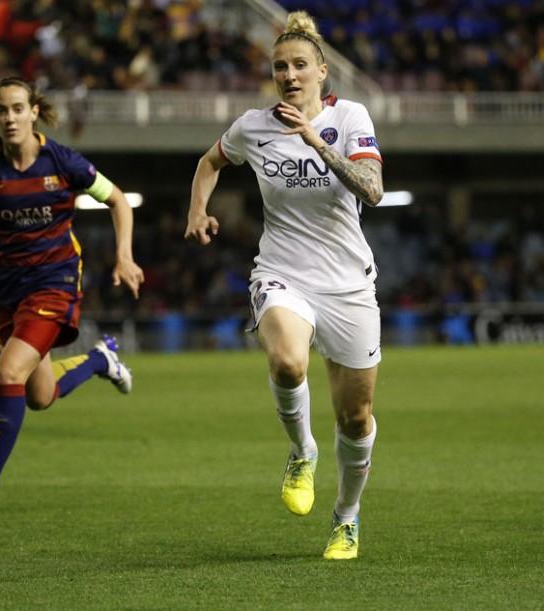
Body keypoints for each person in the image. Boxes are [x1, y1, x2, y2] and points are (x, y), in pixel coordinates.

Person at [185, 11, 384, 560]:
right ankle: (302, 452)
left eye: (300, 65)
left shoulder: (351, 119)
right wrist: (198, 210)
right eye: (280, 67)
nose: (290, 75)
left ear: (322, 71)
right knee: (288, 362)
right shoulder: (253, 126)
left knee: (356, 416)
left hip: (347, 285)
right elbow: (209, 161)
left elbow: (372, 191)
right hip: (283, 273)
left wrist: (318, 143)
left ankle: (346, 518)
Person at [0, 76, 144, 522]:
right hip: (6, 287)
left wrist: (123, 257)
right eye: (1, 110)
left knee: (8, 371)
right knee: (39, 396)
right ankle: (100, 361)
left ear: (33, 111)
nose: (9, 117)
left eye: (16, 108)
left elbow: (119, 201)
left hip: (55, 281)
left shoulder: (62, 160)